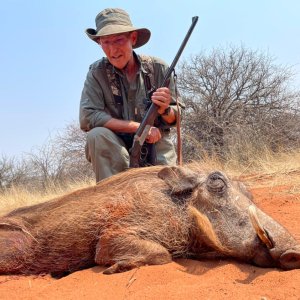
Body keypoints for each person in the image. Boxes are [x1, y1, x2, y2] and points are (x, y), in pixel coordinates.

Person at [80, 8, 184, 182]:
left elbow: (178, 118)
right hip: (116, 148)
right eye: (106, 42)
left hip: (156, 145)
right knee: (96, 135)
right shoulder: (96, 73)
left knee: (173, 193)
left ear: (133, 38)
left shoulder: (159, 69)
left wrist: (165, 109)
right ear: (99, 43)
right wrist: (139, 128)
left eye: (119, 40)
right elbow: (88, 117)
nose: (113, 50)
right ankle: (110, 199)